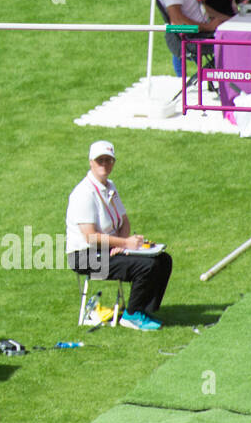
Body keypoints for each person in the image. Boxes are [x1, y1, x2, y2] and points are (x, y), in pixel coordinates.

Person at [65, 141, 173, 332]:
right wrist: (125, 242)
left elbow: (124, 221)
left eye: (108, 160)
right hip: (84, 258)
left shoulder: (110, 186)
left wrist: (123, 246)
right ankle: (131, 315)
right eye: (100, 160)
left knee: (163, 259)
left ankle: (142, 309)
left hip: (106, 249)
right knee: (146, 266)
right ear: (91, 162)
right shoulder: (83, 193)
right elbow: (90, 237)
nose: (104, 164)